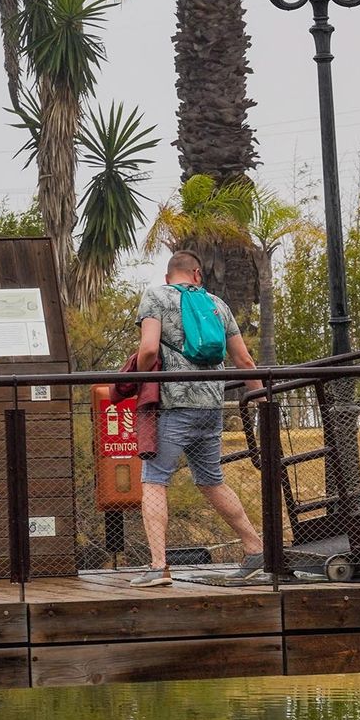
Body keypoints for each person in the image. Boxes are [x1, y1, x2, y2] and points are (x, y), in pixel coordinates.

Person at [129, 249, 265, 588]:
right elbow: (245, 361)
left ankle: (158, 566)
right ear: (197, 275)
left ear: (168, 276)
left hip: (174, 405)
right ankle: (255, 549)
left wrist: (143, 380)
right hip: (211, 406)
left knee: (154, 480)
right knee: (210, 480)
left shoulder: (156, 296)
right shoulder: (217, 305)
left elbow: (148, 349)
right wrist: (263, 400)